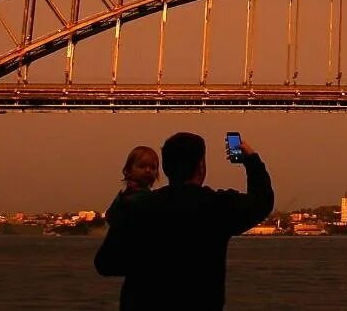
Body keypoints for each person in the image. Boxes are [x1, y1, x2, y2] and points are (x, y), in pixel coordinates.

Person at [95, 131, 274, 310]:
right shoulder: (217, 207)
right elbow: (262, 201)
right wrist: (251, 160)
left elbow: (106, 264)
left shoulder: (137, 207)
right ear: (201, 166)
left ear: (164, 168)